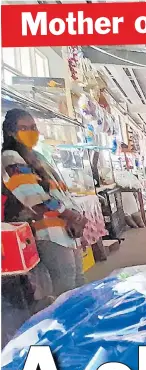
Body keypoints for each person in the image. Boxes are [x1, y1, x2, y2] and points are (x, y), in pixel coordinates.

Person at [2, 108, 87, 298]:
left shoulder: (38, 157)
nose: (31, 132)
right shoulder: (10, 158)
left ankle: (82, 319)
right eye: (24, 128)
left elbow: (60, 190)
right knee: (65, 281)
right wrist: (70, 214)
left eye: (33, 127)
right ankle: (66, 324)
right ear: (10, 132)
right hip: (47, 230)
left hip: (65, 227)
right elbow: (33, 197)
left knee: (78, 278)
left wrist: (76, 215)